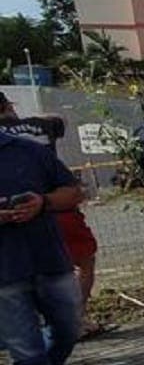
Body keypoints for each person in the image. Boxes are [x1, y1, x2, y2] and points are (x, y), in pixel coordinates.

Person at [0, 128, 84, 365]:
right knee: (25, 349)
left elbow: (72, 192)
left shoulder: (27, 151)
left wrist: (42, 202)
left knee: (68, 329)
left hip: (48, 259)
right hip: (5, 273)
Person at [0, 95, 105, 340]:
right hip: (58, 207)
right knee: (83, 263)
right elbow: (59, 120)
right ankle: (75, 317)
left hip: (15, 220)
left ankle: (39, 325)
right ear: (8, 106)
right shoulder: (41, 126)